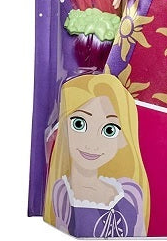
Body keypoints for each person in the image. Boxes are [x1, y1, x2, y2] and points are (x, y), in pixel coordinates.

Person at [43, 72, 149, 237]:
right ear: (63, 128)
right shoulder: (63, 193)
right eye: (79, 124)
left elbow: (141, 234)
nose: (92, 143)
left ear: (123, 138)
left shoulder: (130, 191)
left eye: (109, 130)